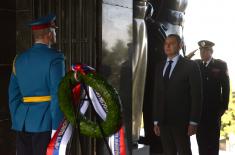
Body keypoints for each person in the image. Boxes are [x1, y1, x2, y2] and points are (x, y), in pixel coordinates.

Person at [8, 14, 65, 155]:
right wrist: (56, 128)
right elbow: (57, 94)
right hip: (45, 123)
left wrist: (17, 118)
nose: (55, 33)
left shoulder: (19, 60)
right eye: (54, 30)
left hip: (22, 123)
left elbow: (13, 94)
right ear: (49, 34)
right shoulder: (55, 58)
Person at [153, 34, 202, 155]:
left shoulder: (190, 66)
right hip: (163, 121)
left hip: (182, 122)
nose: (167, 46)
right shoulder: (159, 66)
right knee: (168, 152)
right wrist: (156, 120)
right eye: (166, 43)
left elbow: (197, 96)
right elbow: (157, 95)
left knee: (184, 151)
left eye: (172, 43)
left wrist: (193, 122)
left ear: (180, 45)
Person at [195, 40, 230, 155]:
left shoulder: (220, 65)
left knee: (213, 142)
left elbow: (226, 88)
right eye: (201, 50)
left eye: (205, 50)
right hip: (199, 112)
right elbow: (182, 62)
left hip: (214, 111)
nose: (202, 53)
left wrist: (223, 107)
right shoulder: (197, 64)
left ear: (211, 51)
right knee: (201, 141)